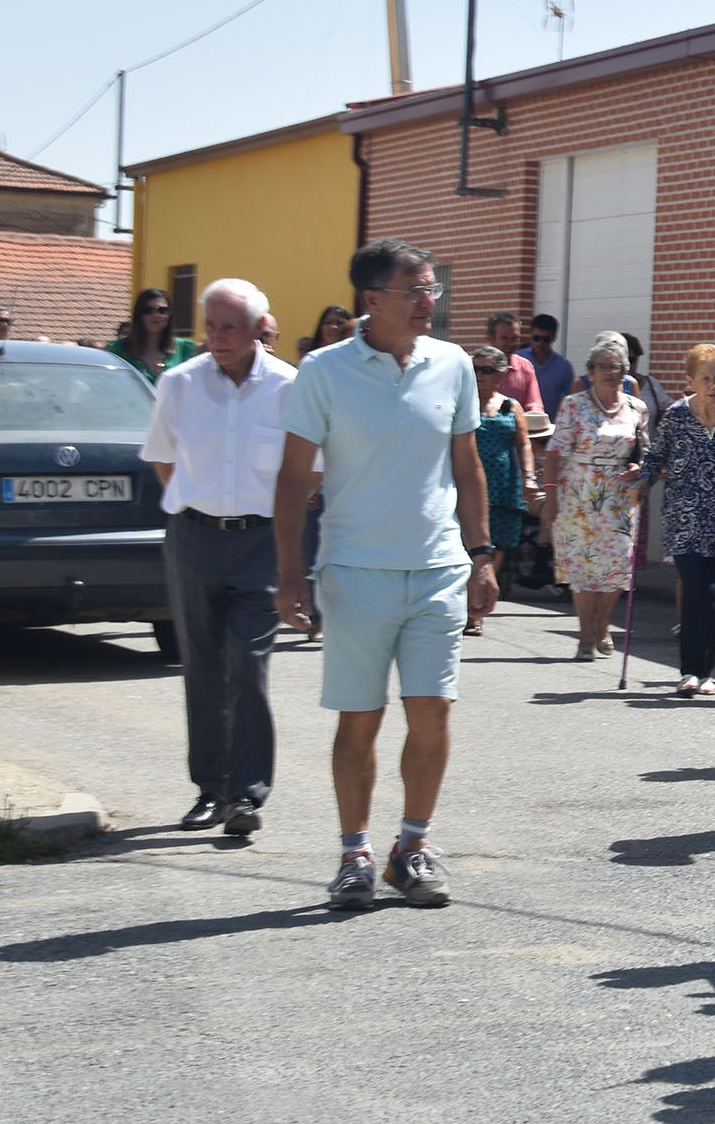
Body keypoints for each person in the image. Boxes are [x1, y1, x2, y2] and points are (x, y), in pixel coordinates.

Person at [273, 239, 497, 909]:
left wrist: (481, 558)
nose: (431, 301)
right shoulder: (322, 371)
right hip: (354, 571)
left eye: (433, 289)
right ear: (373, 300)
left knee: (432, 715)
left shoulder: (452, 364)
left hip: (436, 570)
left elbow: (468, 468)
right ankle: (354, 854)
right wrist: (289, 574)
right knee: (360, 722)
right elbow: (290, 479)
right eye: (416, 291)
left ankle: (412, 848)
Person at [141, 278, 293, 838]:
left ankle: (247, 794)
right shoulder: (179, 384)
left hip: (260, 543)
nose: (219, 336)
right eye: (211, 325)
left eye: (230, 326)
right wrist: (199, 506)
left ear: (258, 329)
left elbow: (308, 472)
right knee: (203, 666)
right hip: (195, 538)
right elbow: (163, 460)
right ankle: (210, 787)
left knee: (247, 666)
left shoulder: (287, 387)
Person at [641, 344, 715, 697]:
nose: (713, 384)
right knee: (699, 593)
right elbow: (656, 453)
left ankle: (706, 671)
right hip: (686, 521)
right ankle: (690, 669)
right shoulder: (677, 415)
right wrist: (642, 482)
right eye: (705, 378)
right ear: (690, 380)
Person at [541, 335, 648, 660]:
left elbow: (645, 451)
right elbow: (555, 453)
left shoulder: (636, 407)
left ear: (625, 371)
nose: (609, 372)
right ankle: (586, 634)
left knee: (616, 564)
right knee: (582, 567)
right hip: (578, 495)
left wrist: (639, 467)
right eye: (602, 367)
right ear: (590, 371)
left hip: (618, 496)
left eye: (616, 367)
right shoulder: (573, 405)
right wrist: (551, 498)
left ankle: (603, 622)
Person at [466, 345, 538, 633]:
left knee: (497, 545)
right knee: (466, 544)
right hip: (468, 485)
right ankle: (467, 604)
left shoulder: (511, 406)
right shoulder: (461, 403)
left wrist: (529, 477)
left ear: (500, 374)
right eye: (475, 369)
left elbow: (523, 444)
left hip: (503, 484)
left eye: (486, 370)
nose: (479, 375)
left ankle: (476, 607)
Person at [111, 286, 197, 382]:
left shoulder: (185, 348)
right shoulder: (118, 349)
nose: (155, 315)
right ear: (139, 315)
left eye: (162, 310)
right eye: (148, 310)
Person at [483, 313, 544, 414]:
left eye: (515, 338)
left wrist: (535, 417)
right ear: (491, 338)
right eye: (505, 338)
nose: (510, 343)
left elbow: (534, 405)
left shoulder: (525, 367)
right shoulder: (475, 367)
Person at [520, 313, 575, 423]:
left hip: (550, 427)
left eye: (546, 339)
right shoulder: (519, 359)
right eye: (536, 338)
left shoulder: (564, 367)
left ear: (554, 337)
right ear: (530, 335)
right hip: (519, 424)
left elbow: (570, 401)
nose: (540, 343)